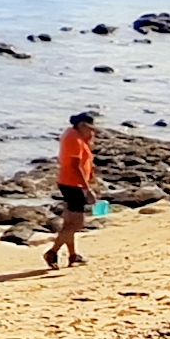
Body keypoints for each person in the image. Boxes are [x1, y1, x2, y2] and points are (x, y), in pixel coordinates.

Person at [46, 110, 100, 270]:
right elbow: (75, 166)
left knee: (69, 223)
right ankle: (52, 252)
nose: (92, 132)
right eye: (90, 129)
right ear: (82, 125)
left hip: (67, 182)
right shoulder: (74, 138)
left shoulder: (73, 135)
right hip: (73, 184)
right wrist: (86, 188)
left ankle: (73, 255)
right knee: (76, 224)